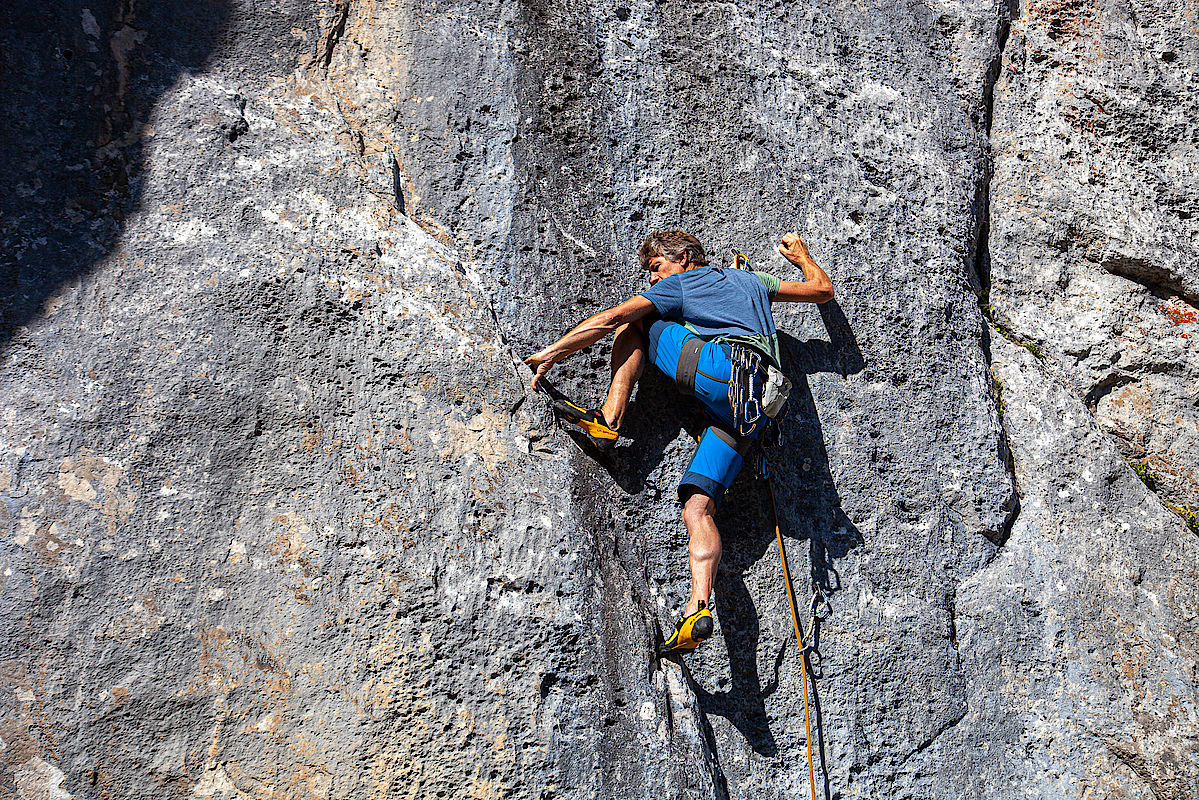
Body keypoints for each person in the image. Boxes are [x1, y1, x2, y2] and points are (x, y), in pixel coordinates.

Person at [525, 231, 833, 654]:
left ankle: (609, 419)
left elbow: (612, 318)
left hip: (726, 375)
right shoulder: (754, 282)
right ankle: (697, 607)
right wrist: (802, 256)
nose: (652, 281)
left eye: (656, 269)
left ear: (684, 258)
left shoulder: (683, 283)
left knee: (638, 318)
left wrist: (553, 353)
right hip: (759, 410)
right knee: (698, 505)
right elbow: (821, 289)